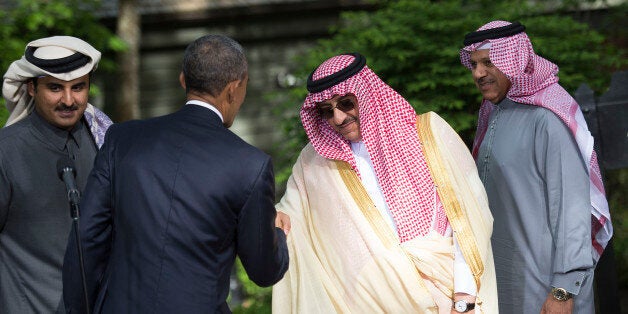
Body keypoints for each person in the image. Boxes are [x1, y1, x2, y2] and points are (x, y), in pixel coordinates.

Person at [62, 34, 289, 313]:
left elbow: (86, 238)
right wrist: (278, 232)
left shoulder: (123, 139)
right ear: (234, 88)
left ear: (183, 80)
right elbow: (264, 271)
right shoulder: (250, 165)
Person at [272, 52, 498, 313]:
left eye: (346, 103)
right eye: (326, 111)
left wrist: (464, 297)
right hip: (372, 305)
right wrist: (275, 216)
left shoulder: (429, 134)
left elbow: (469, 218)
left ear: (366, 95)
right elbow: (291, 215)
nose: (338, 118)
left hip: (449, 297)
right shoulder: (314, 163)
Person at [459, 21, 613, 314]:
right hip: (504, 281)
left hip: (548, 287)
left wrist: (564, 290)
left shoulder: (546, 119)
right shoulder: (492, 113)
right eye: (474, 64)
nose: (478, 73)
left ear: (514, 60)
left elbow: (572, 210)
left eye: (489, 63)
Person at [0, 36, 112, 313]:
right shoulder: (6, 152)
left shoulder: (104, 141)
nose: (68, 100)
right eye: (55, 88)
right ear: (31, 88)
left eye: (78, 87)